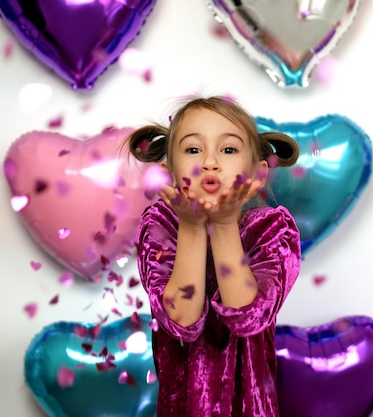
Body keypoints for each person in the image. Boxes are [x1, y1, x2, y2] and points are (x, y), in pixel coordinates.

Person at [126, 95, 302, 417]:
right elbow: (182, 322)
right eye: (193, 149)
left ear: (258, 173)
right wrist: (191, 227)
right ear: (168, 172)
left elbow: (246, 316)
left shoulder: (272, 230)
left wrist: (223, 223)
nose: (210, 162)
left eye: (229, 149)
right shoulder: (159, 225)